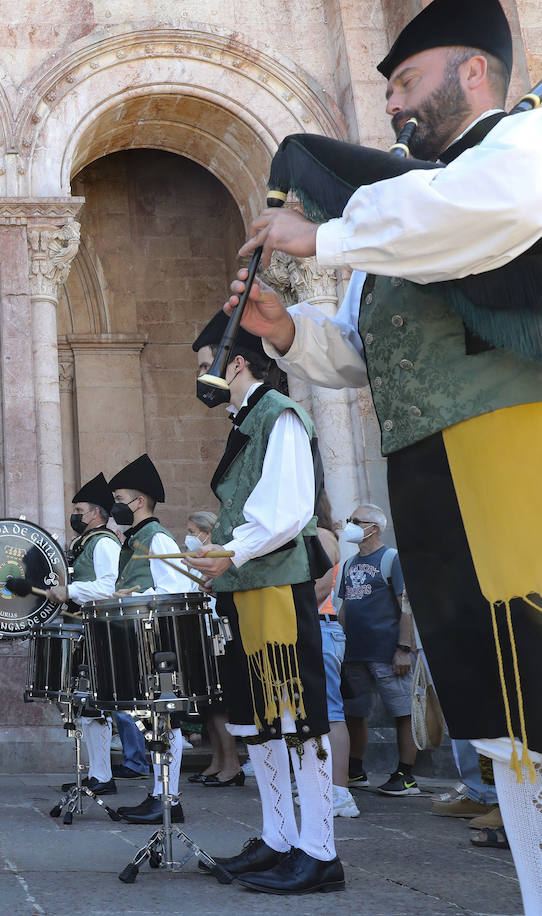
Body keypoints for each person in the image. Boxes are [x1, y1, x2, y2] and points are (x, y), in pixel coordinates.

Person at [225, 0, 541, 889]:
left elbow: (496, 211)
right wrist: (286, 328)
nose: (394, 102)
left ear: (473, 70)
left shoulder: (519, 148)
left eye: (406, 80)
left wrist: (323, 232)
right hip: (433, 473)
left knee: (540, 690)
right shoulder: (410, 202)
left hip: (515, 460)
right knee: (507, 721)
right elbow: (363, 353)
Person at [186, 314, 339, 895]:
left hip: (275, 585)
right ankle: (279, 838)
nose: (203, 377)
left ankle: (320, 849)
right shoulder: (247, 421)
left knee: (296, 718)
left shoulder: (280, 416)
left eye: (207, 365)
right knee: (261, 721)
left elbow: (288, 511)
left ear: (237, 363)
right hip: (247, 587)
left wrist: (229, 552)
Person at [107, 454, 197, 825]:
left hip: (158, 642)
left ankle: (169, 799)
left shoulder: (157, 537)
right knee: (155, 723)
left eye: (120, 499)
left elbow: (175, 590)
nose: (115, 507)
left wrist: (129, 598)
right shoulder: (137, 538)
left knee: (167, 722)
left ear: (138, 502)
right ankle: (158, 794)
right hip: (143, 639)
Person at [45, 473, 120, 794]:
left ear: (95, 513)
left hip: (99, 630)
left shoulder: (104, 543)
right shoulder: (87, 542)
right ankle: (98, 774)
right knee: (87, 708)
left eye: (79, 509)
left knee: (96, 707)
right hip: (85, 630)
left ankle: (104, 777)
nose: (74, 514)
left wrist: (70, 590)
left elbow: (109, 586)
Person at [336, 504, 417, 797]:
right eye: (350, 520)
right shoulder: (349, 564)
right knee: (354, 713)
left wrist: (404, 648)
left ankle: (406, 775)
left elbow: (406, 606)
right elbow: (346, 608)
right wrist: (339, 646)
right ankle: (355, 770)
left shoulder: (392, 558)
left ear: (375, 527)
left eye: (356, 521)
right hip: (355, 653)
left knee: (403, 712)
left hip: (387, 652)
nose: (350, 525)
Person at [181, 509, 242, 788]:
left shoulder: (218, 557)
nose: (189, 537)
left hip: (218, 631)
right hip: (203, 631)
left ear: (207, 533)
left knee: (221, 706)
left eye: (193, 532)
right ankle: (217, 761)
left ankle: (232, 765)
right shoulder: (200, 559)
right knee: (209, 706)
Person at [312, 498, 358, 819]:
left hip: (321, 628)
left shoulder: (322, 535)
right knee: (318, 712)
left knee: (331, 711)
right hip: (313, 629)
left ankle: (340, 792)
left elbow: (321, 587)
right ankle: (322, 784)